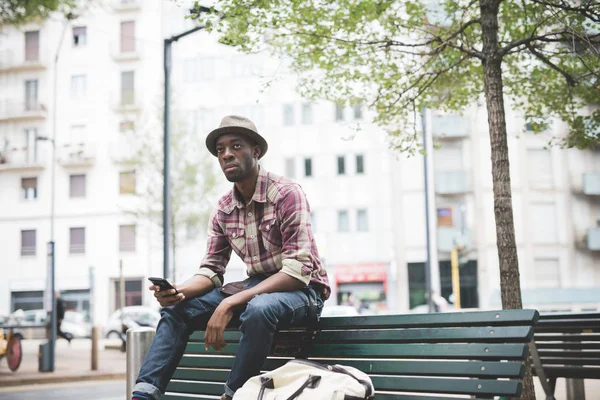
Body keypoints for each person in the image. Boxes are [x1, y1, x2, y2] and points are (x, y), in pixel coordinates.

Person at [132, 115, 330, 400]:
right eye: (220, 150)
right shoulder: (224, 208)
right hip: (258, 290)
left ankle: (234, 395)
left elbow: (297, 272)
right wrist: (179, 292)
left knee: (260, 308)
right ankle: (143, 395)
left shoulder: (287, 194)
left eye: (236, 146)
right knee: (177, 311)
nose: (226, 154)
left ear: (256, 151)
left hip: (304, 291)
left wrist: (231, 301)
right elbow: (211, 270)